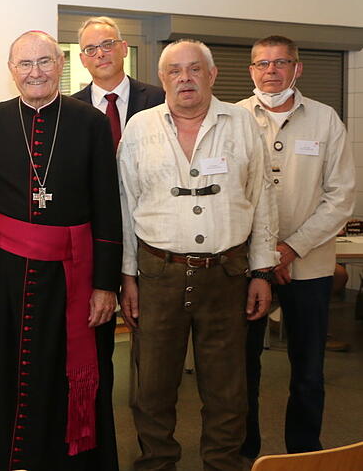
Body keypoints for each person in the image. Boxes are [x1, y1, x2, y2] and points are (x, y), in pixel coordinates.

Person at [118, 39, 277, 471]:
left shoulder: (242, 124)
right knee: (151, 385)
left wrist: (262, 269)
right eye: (174, 71)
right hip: (157, 273)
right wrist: (127, 277)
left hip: (226, 273)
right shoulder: (140, 128)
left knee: (227, 387)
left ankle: (223, 463)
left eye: (194, 70)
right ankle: (156, 462)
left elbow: (261, 197)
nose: (185, 78)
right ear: (163, 78)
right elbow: (124, 204)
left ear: (212, 75)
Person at [0, 31, 122, 470]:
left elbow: (108, 206)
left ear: (60, 64)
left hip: (70, 275)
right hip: (2, 273)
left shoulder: (90, 122)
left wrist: (104, 285)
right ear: (11, 71)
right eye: (24, 64)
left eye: (44, 62)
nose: (34, 72)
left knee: (63, 375)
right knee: (4, 370)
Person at [237, 35, 354, 458]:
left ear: (297, 69)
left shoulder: (326, 121)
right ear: (251, 70)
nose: (271, 71)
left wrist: (289, 249)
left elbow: (341, 197)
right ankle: (245, 452)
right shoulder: (232, 119)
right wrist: (265, 255)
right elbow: (227, 197)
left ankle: (304, 452)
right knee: (242, 369)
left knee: (308, 372)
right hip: (249, 269)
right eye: (262, 64)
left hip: (309, 267)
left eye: (281, 63)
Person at [71, 16, 164, 149]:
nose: (100, 54)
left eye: (107, 44)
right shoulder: (72, 110)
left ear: (124, 48)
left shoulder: (158, 99)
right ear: (83, 60)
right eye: (90, 49)